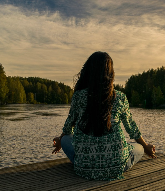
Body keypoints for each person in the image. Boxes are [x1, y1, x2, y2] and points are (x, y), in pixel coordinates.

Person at [52, 51, 156, 180]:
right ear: (110, 74)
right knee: (138, 147)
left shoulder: (78, 96)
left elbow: (68, 127)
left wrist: (60, 140)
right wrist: (146, 147)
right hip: (116, 167)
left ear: (88, 72)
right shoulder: (120, 97)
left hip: (84, 168)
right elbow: (132, 129)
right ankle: (130, 152)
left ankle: (85, 160)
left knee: (66, 138)